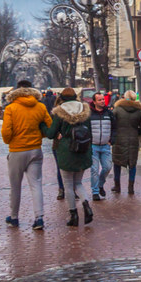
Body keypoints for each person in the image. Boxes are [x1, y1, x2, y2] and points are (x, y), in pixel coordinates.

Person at [2, 80, 52, 230]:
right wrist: (39, 136)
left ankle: (14, 217)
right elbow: (49, 126)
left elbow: (6, 132)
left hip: (17, 150)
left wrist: (9, 140)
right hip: (35, 150)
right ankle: (39, 218)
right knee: (36, 184)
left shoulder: (11, 108)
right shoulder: (40, 106)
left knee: (15, 186)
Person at [41, 88, 93, 227]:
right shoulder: (84, 110)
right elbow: (90, 132)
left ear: (62, 98)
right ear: (75, 97)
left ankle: (73, 215)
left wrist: (42, 127)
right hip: (83, 149)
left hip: (66, 151)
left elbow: (51, 134)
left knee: (68, 185)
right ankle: (86, 205)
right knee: (79, 182)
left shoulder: (60, 112)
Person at [111, 91, 141, 196]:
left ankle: (117, 186)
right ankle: (131, 188)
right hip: (133, 140)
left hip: (119, 139)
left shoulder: (117, 110)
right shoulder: (139, 111)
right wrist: (136, 133)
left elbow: (112, 124)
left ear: (124, 97)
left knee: (117, 162)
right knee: (132, 164)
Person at [86, 92, 115, 201]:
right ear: (94, 102)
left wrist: (112, 140)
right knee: (94, 169)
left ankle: (100, 184)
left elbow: (114, 128)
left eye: (103, 99)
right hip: (93, 146)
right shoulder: (89, 114)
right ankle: (95, 192)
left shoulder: (109, 113)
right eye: (100, 100)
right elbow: (86, 129)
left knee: (107, 167)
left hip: (105, 145)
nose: (102, 101)